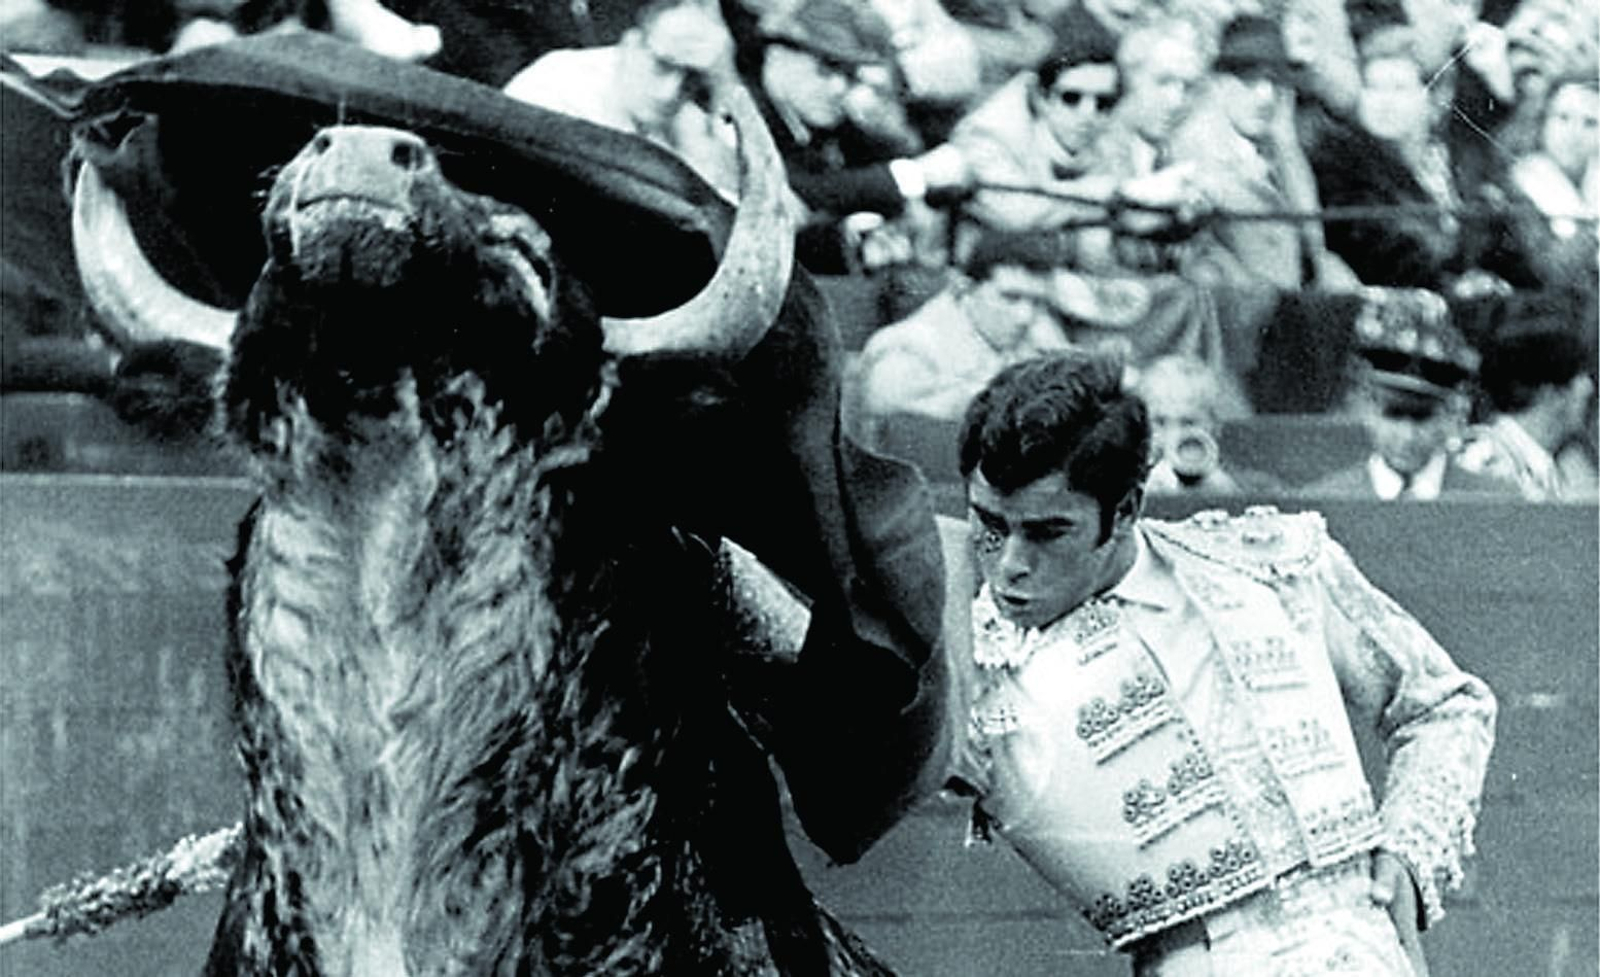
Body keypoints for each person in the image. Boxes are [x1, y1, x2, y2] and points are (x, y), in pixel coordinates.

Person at [942, 348, 1496, 976]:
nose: (1010, 563)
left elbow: (1447, 705)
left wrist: (1408, 853)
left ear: (1125, 510)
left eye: (1047, 533)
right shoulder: (973, 659)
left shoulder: (1272, 565)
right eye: (989, 524)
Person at [747, 0, 974, 272]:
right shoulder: (743, 115)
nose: (840, 87)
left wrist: (885, 125)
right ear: (778, 55)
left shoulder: (822, 120)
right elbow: (794, 190)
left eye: (850, 74)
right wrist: (912, 175)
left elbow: (881, 155)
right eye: (826, 69)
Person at [1170, 15, 1355, 291]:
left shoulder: (1279, 147)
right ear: (1218, 83)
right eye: (1249, 81)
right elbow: (1201, 257)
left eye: (1276, 81)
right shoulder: (1194, 152)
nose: (1265, 96)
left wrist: (1287, 147)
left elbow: (1313, 246)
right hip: (1243, 310)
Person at [502, 0, 741, 198]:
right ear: (631, 45)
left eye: (691, 78)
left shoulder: (695, 123)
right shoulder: (554, 87)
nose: (670, 92)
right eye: (661, 67)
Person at [1303, 287, 1520, 500]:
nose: (1407, 436)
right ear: (1365, 409)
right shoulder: (1327, 501)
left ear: (1451, 415)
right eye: (1393, 416)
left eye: (1422, 418)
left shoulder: (1493, 500)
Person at [853, 235, 1068, 425]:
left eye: (1037, 302)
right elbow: (889, 435)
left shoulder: (1038, 336)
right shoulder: (908, 347)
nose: (1025, 317)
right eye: (1010, 297)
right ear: (964, 288)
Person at [1458, 324, 1598, 501]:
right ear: (1550, 394)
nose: (1589, 388)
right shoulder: (1483, 463)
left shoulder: (1540, 466)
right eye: (1579, 377)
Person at [1132, 353, 1283, 494]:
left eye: (1188, 423)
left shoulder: (1255, 486)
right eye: (1159, 422)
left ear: (1214, 427)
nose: (1172, 435)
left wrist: (1227, 495)